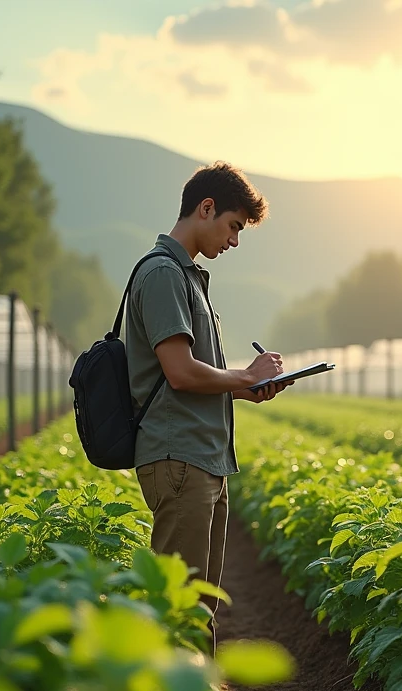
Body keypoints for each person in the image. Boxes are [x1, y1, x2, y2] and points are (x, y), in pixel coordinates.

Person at [125, 161, 289, 649]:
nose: (234, 241)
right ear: (206, 208)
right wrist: (244, 375)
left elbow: (195, 377)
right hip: (179, 458)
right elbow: (179, 371)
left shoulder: (188, 277)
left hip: (202, 458)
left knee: (199, 601)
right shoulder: (162, 274)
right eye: (234, 226)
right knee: (180, 605)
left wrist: (247, 387)